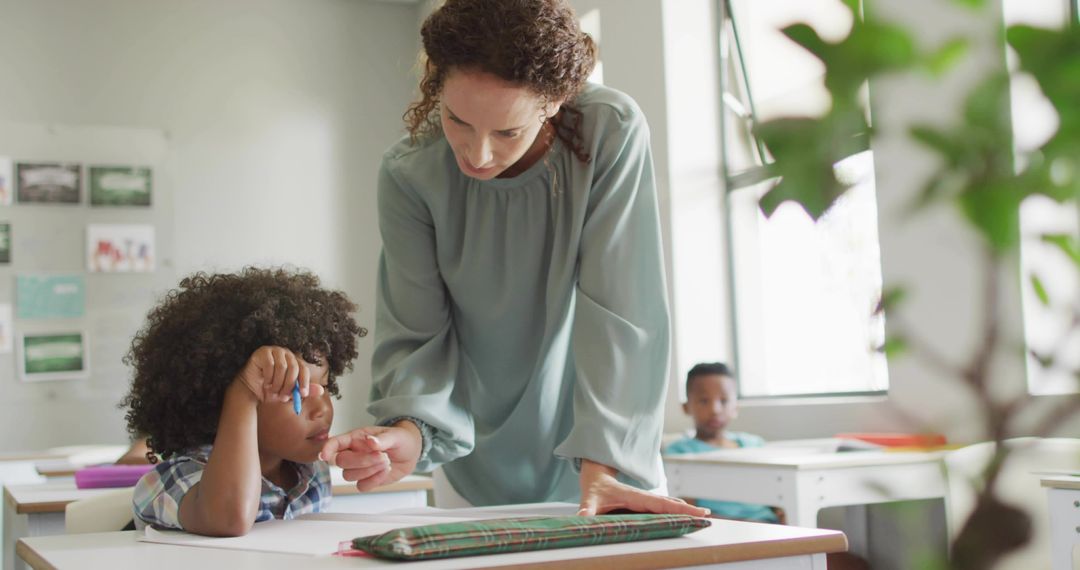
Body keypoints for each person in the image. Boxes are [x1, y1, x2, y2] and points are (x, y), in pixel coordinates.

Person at [320, 0, 705, 518]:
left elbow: (622, 312)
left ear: (555, 102)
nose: (477, 154)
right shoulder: (409, 174)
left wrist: (604, 467)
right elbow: (416, 333)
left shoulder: (607, 130)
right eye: (457, 120)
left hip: (605, 460)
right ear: (436, 85)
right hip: (472, 462)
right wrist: (410, 433)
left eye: (507, 132)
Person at [121, 267, 365, 536]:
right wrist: (243, 391)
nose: (323, 409)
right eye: (298, 393)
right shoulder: (170, 480)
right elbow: (228, 519)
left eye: (326, 386)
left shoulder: (312, 473)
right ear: (225, 401)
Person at [664, 363, 783, 523]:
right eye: (704, 401)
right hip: (719, 529)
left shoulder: (754, 445)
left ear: (736, 407)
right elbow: (689, 513)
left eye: (724, 400)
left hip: (770, 526)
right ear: (686, 407)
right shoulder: (679, 452)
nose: (715, 409)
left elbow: (778, 494)